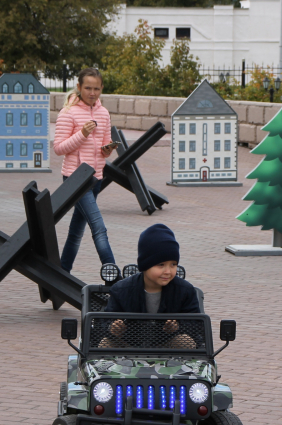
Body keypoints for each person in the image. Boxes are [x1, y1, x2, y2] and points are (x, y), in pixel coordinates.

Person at [53, 67, 117, 273]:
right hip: (74, 179)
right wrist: (82, 134)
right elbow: (59, 148)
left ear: (102, 89)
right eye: (88, 88)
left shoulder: (104, 113)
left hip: (96, 178)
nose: (92, 93)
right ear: (79, 87)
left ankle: (62, 274)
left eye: (96, 89)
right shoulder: (68, 112)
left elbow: (104, 146)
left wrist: (107, 150)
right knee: (99, 228)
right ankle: (112, 274)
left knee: (76, 232)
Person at [103, 224, 200, 348]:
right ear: (145, 265)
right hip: (129, 350)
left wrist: (177, 327)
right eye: (161, 264)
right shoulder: (121, 290)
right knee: (106, 343)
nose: (168, 271)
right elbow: (103, 323)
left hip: (167, 350)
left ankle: (177, 368)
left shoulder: (185, 291)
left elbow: (196, 326)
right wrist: (113, 328)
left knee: (184, 341)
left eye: (173, 264)